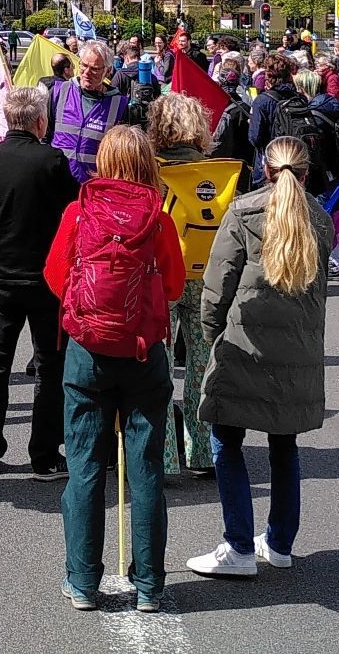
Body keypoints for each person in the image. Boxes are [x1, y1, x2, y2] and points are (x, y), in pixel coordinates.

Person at [44, 124, 184, 615]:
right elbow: (173, 286)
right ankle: (149, 586)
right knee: (145, 472)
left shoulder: (78, 212)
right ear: (147, 164)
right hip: (144, 353)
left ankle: (82, 581)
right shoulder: (159, 220)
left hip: (87, 353)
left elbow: (55, 276)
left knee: (84, 469)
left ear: (103, 162)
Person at [184, 134, 334, 580]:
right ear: (304, 174)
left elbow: (217, 289)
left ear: (263, 170)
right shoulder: (321, 220)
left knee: (226, 441)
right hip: (298, 351)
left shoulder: (244, 211)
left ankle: (237, 545)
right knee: (284, 445)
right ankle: (280, 542)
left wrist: (213, 341)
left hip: (244, 346)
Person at [0, 83, 78, 478]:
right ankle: (44, 454)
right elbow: (70, 214)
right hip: (43, 278)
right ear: (39, 121)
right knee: (49, 367)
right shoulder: (52, 160)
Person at [148, 90, 232, 476]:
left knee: (159, 369)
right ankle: (202, 453)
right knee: (202, 367)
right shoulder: (217, 173)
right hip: (206, 274)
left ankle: (164, 457)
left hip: (163, 274)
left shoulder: (153, 171)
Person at [48, 39, 134, 184]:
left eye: (94, 68)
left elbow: (120, 155)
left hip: (93, 187)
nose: (87, 72)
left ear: (107, 71)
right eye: (84, 65)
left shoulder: (119, 104)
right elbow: (45, 135)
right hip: (56, 183)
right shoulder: (59, 91)